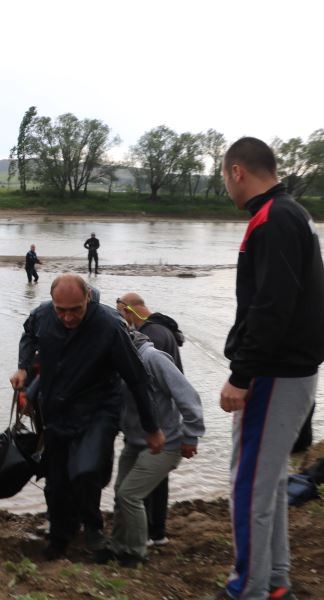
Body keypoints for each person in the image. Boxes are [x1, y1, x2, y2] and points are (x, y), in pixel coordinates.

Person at [212, 137, 324, 600]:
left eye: (224, 178)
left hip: (276, 372)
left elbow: (272, 305)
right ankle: (275, 582)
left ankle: (249, 589)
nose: (226, 187)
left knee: (250, 486)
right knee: (271, 481)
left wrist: (241, 374)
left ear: (237, 171)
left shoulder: (272, 219)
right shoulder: (289, 213)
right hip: (291, 369)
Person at [10, 274, 163, 560]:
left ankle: (93, 531)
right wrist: (23, 369)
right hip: (56, 409)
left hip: (98, 410)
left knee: (86, 471)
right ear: (53, 303)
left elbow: (137, 378)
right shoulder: (43, 314)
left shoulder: (110, 325)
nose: (67, 317)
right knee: (55, 481)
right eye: (61, 310)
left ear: (88, 300)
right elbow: (28, 334)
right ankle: (59, 538)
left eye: (75, 310)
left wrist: (151, 427)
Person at [94, 329, 204, 567]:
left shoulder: (153, 358)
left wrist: (192, 436)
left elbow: (189, 396)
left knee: (130, 495)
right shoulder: (115, 362)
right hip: (134, 441)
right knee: (121, 493)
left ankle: (136, 552)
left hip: (166, 443)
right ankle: (118, 546)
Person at [117, 292, 186, 546]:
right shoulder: (164, 330)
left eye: (121, 313)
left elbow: (149, 383)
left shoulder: (151, 338)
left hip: (157, 423)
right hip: (165, 418)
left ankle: (147, 535)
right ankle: (158, 532)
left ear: (127, 310)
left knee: (138, 488)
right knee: (157, 480)